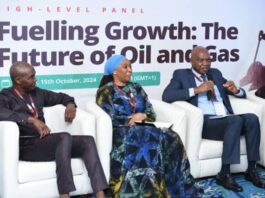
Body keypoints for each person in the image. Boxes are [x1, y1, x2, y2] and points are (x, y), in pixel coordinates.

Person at [96, 55, 203, 198]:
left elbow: (151, 111)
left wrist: (143, 116)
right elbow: (110, 117)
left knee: (172, 136)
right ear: (115, 71)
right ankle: (149, 192)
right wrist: (131, 119)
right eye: (125, 67)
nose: (129, 70)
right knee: (147, 137)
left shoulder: (137, 88)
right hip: (122, 133)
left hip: (145, 127)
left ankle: (176, 187)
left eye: (130, 66)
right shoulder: (105, 91)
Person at [162, 46, 265, 192]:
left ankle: (252, 170)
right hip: (207, 123)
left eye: (208, 60)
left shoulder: (215, 73)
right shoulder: (181, 75)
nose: (206, 63)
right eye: (201, 60)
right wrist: (197, 90)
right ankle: (224, 173)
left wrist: (237, 90)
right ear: (191, 61)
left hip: (226, 119)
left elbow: (237, 92)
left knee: (252, 118)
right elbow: (167, 96)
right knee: (234, 120)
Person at [0, 62, 108, 198]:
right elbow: (1, 112)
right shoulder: (6, 96)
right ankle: (64, 194)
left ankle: (100, 193)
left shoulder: (37, 93)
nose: (35, 80)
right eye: (31, 77)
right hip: (26, 146)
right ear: (18, 80)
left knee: (87, 141)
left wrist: (70, 105)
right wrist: (31, 120)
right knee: (64, 137)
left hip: (45, 142)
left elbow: (63, 97)